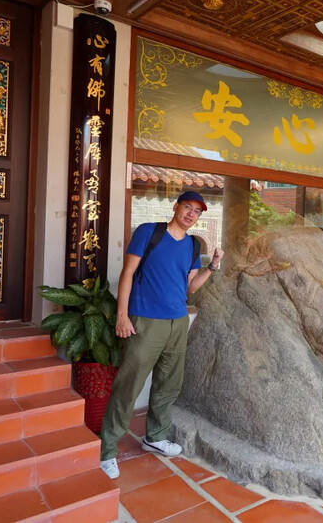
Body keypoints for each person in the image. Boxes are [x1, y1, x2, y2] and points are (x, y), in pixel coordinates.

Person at [99, 190, 224, 479]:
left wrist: (213, 266)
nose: (191, 214)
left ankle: (155, 436)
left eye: (197, 211)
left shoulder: (193, 245)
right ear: (176, 207)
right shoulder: (149, 232)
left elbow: (191, 287)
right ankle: (107, 450)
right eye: (187, 207)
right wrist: (122, 315)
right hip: (146, 321)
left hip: (177, 322)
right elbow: (127, 274)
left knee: (169, 384)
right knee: (129, 386)